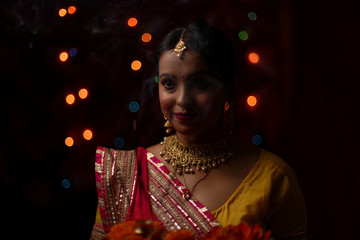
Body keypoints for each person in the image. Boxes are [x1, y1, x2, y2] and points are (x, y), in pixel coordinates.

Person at [90, 22, 307, 240]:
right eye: (169, 84)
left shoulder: (272, 177)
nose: (183, 100)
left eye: (201, 83)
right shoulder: (126, 175)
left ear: (229, 90)